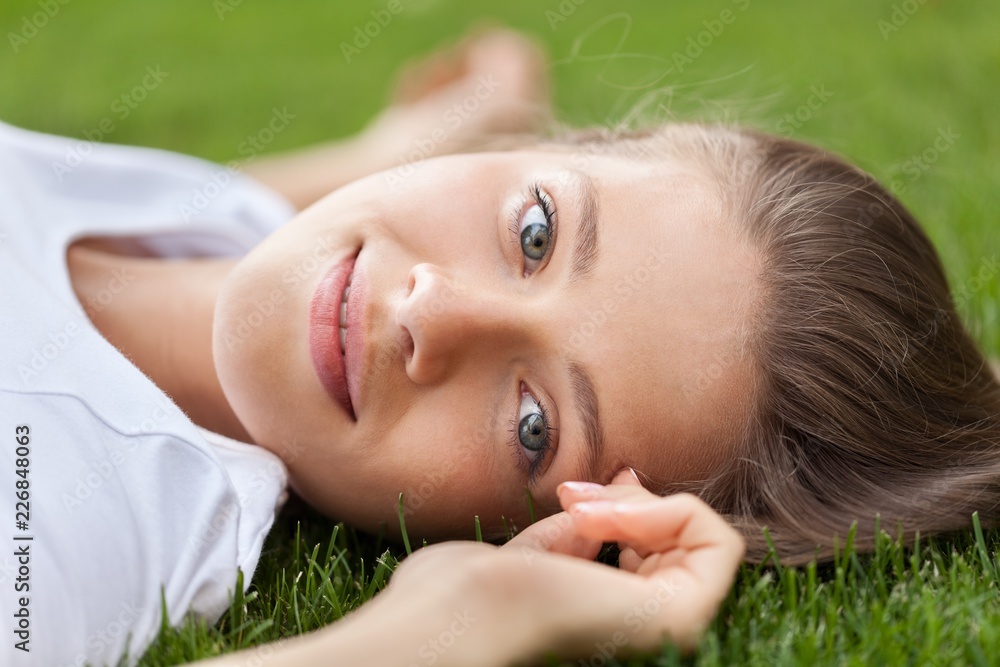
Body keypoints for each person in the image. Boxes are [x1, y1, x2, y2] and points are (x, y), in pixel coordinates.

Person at [1, 26, 997, 666]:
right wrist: (405, 143)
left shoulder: (69, 524)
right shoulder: (203, 217)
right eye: (534, 232)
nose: (435, 317)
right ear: (565, 144)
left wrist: (464, 619)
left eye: (532, 426)